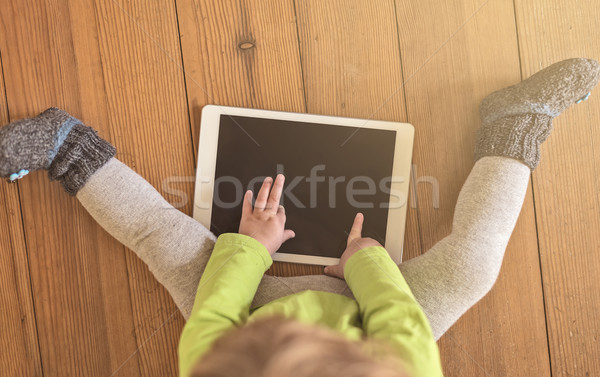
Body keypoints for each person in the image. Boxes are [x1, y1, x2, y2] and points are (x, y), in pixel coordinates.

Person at [0, 58, 598, 377]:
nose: (304, 319)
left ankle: (66, 147)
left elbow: (217, 313)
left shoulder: (212, 363)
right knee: (474, 266)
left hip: (242, 301)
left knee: (162, 235)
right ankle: (513, 123)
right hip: (376, 311)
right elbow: (398, 318)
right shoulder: (406, 366)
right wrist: (367, 267)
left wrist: (249, 249)